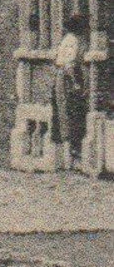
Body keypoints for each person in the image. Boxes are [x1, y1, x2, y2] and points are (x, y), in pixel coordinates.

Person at [55, 14, 89, 168]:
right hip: (68, 79)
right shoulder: (72, 40)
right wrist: (75, 83)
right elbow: (69, 64)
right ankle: (73, 155)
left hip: (65, 76)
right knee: (72, 113)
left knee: (68, 113)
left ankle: (71, 154)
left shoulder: (69, 39)